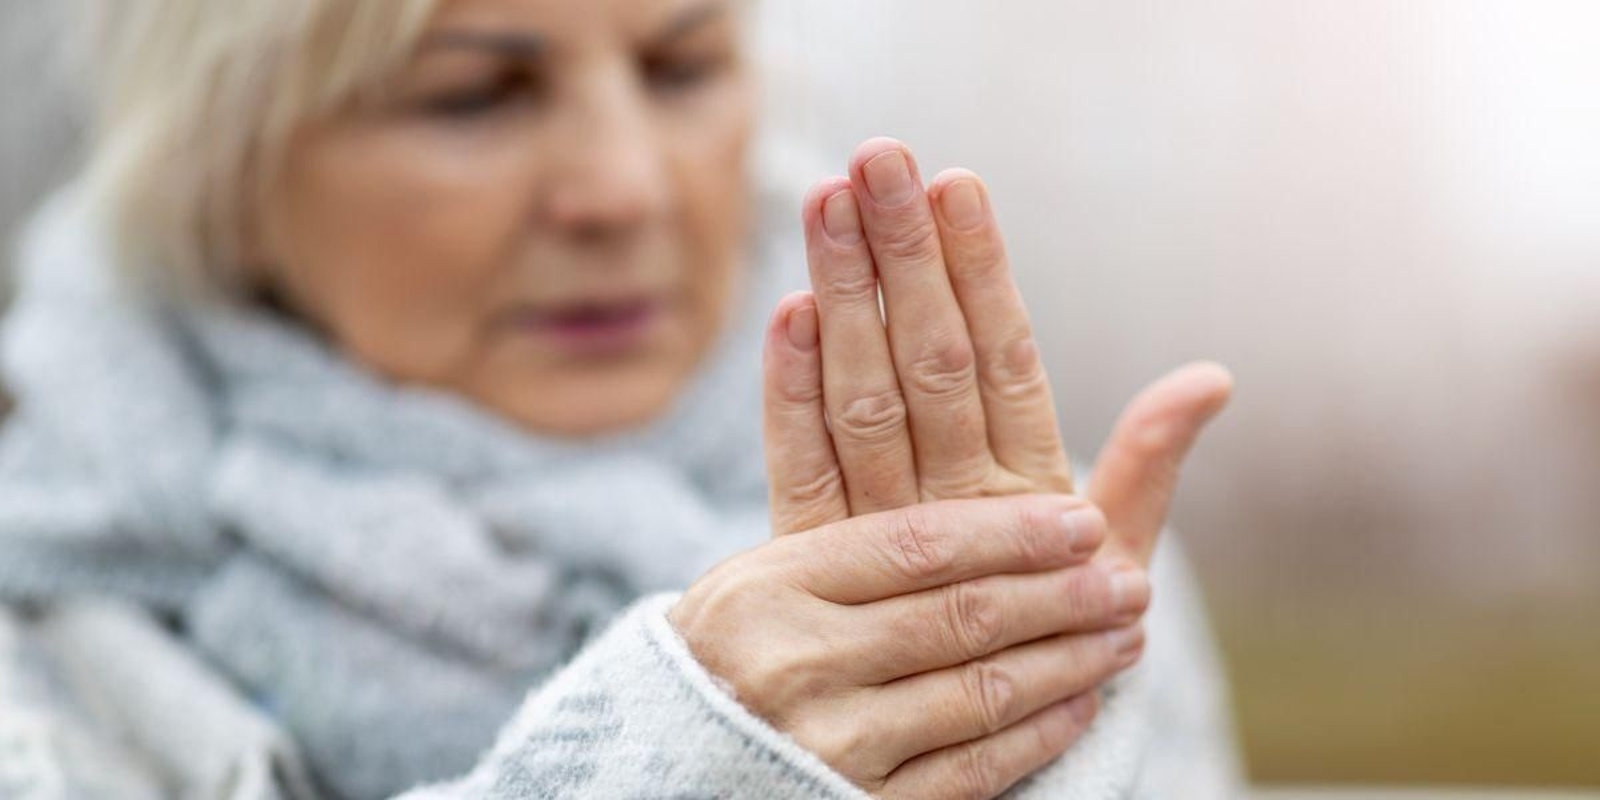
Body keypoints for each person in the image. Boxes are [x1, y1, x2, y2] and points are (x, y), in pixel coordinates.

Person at [0, 1, 1239, 797]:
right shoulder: (56, 625)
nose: (622, 188)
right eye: (474, 96)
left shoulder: (1023, 561)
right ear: (226, 171)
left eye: (679, 68)